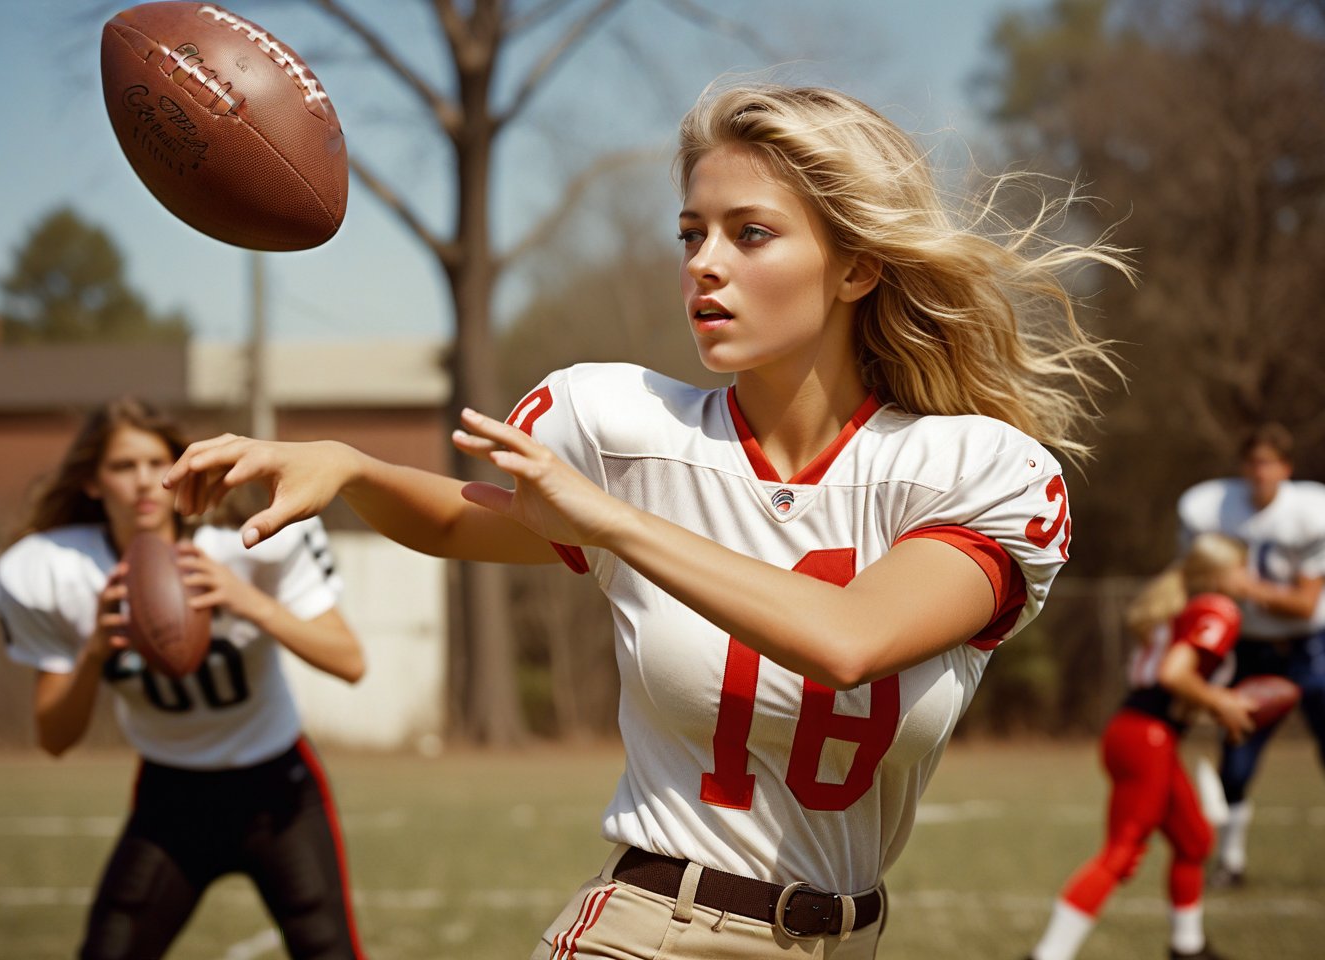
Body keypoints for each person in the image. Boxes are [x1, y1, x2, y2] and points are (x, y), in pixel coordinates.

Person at [164, 83, 1131, 959]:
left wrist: (611, 523)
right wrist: (351, 468)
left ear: (856, 270)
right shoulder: (624, 427)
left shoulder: (976, 469)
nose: (704, 265)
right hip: (650, 932)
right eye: (690, 234)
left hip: (846, 940)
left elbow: (850, 641)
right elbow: (471, 526)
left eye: (750, 234)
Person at [0, 398, 368, 960]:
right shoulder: (56, 572)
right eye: (123, 466)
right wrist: (94, 650)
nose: (143, 481)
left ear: (180, 468)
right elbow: (55, 739)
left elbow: (350, 661)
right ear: (93, 482)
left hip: (277, 787)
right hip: (172, 796)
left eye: (154, 463)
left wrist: (251, 603)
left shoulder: (246, 543)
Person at [1026, 534, 1257, 960]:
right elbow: (1173, 674)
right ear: (1219, 575)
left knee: (1193, 841)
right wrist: (1221, 701)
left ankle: (1187, 947)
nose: (1251, 577)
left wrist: (1211, 705)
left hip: (1142, 733)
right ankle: (1048, 955)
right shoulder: (1218, 609)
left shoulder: (1181, 607)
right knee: (1121, 851)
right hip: (1146, 736)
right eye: (1244, 567)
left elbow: (1170, 686)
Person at [1177, 423, 1325, 892]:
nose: (1259, 473)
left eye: (1268, 463)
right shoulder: (1214, 508)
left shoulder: (1314, 513)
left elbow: (1305, 603)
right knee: (1237, 762)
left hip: (1309, 652)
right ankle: (1230, 863)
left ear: (1286, 468)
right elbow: (1193, 578)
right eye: (1252, 462)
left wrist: (1245, 587)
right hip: (1251, 649)